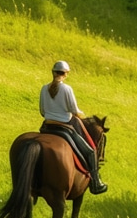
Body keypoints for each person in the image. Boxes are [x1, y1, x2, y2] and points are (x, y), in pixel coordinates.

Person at [39, 60, 108, 194]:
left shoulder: (43, 88)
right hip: (65, 127)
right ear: (66, 74)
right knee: (90, 151)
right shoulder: (67, 89)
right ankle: (95, 182)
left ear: (53, 72)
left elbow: (42, 111)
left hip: (46, 126)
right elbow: (74, 110)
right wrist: (83, 115)